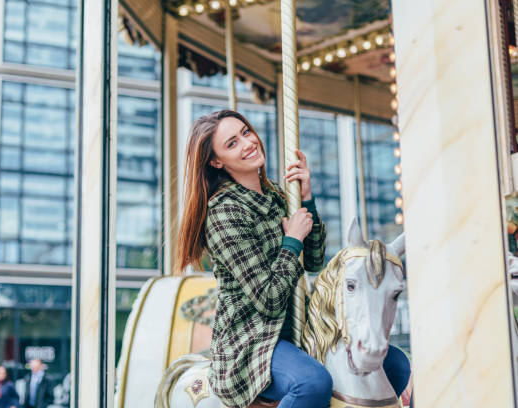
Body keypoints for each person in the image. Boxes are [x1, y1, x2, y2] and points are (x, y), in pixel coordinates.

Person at [176, 110, 411, 408]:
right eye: (232, 143)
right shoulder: (223, 213)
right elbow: (269, 298)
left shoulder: (277, 194)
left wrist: (307, 197)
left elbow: (313, 260)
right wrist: (292, 240)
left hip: (304, 327)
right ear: (216, 161)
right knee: (311, 382)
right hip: (253, 340)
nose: (248, 143)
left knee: (398, 365)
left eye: (246, 132)